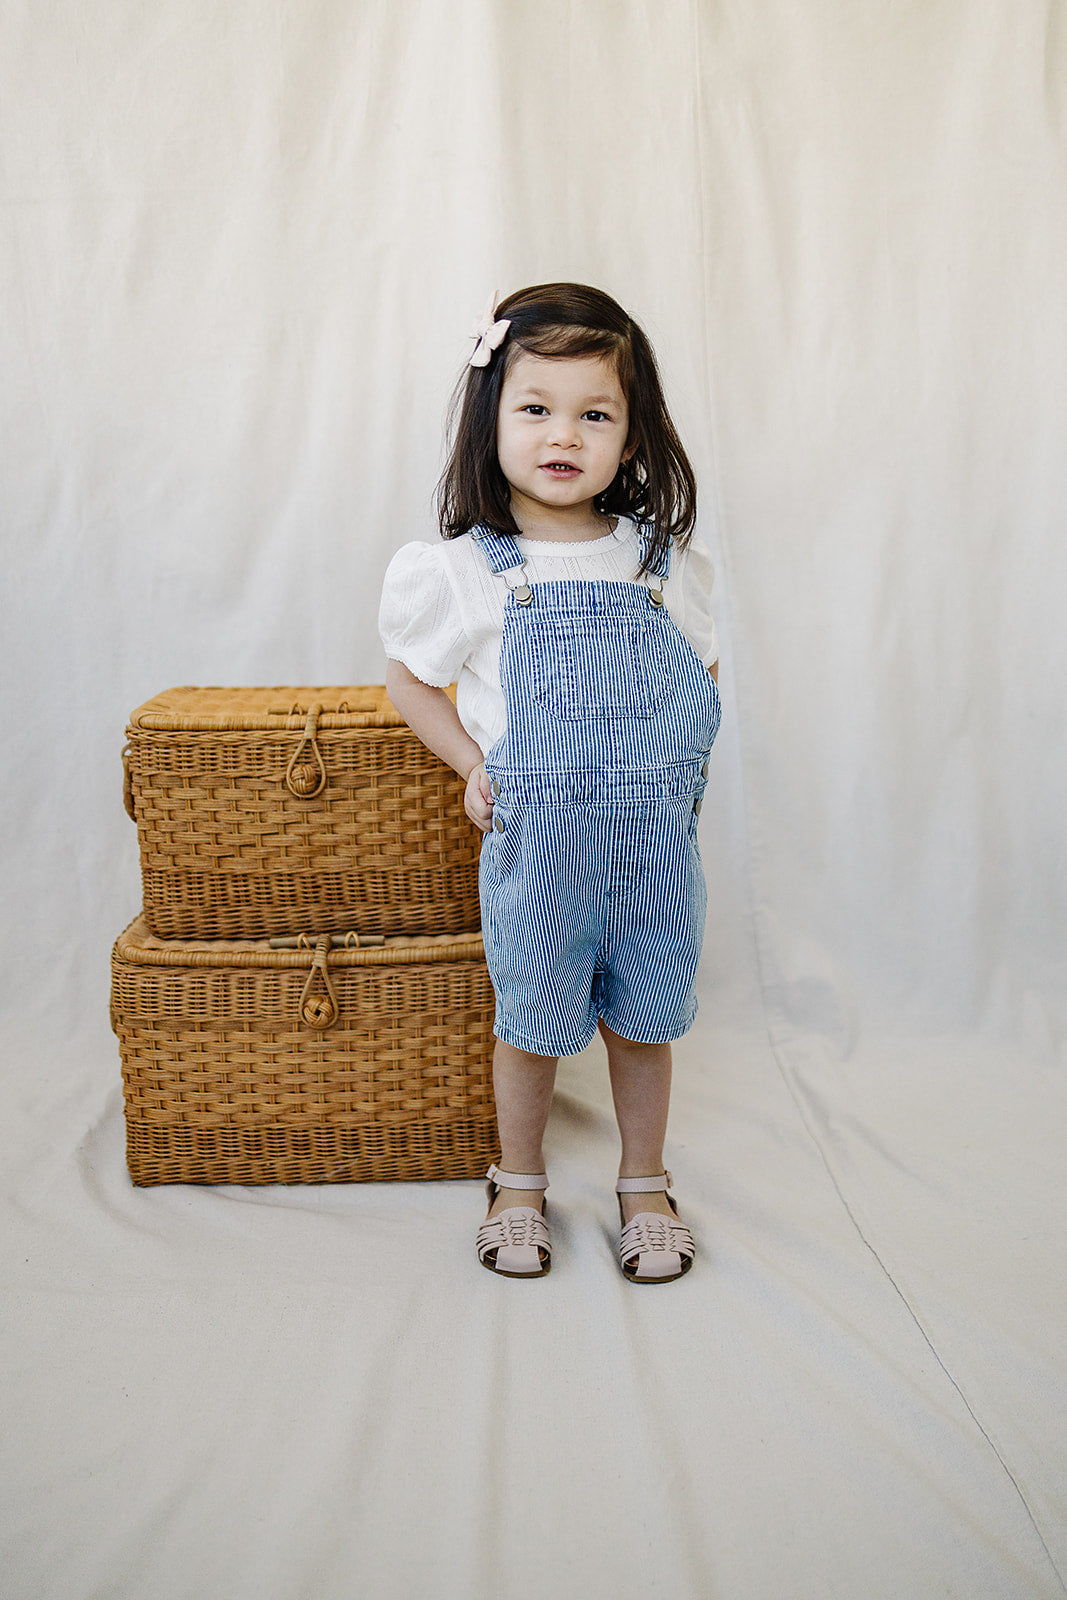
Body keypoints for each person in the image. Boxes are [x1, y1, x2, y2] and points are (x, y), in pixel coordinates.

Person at [378, 283, 720, 1283]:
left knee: (643, 1022)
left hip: (651, 851)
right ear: (490, 418)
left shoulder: (660, 564)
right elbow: (410, 680)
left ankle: (642, 1182)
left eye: (594, 412)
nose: (561, 433)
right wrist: (472, 761)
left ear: (631, 432)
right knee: (530, 1023)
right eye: (535, 407)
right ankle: (517, 1179)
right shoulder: (469, 571)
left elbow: (695, 683)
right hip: (537, 849)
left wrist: (664, 774)